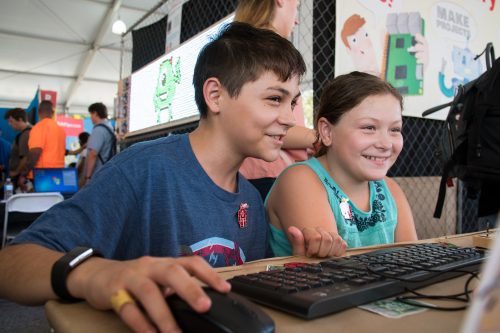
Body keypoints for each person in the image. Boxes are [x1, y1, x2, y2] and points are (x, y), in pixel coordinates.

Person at [0, 23, 324, 333]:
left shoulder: (251, 200)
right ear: (215, 95)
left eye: (293, 103)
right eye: (274, 99)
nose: (287, 119)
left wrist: (303, 267)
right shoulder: (145, 169)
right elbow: (13, 261)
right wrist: (94, 273)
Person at [266, 71, 418, 257]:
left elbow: (412, 258)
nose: (385, 144)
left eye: (395, 129)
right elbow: (337, 272)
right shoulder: (300, 181)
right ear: (327, 132)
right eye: (369, 128)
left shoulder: (390, 189)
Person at [235, 0, 318, 199]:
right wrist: (317, 139)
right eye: (296, 6)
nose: (296, 19)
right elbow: (268, 124)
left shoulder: (243, 47)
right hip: (267, 173)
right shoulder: (266, 51)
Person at [16, 100, 66, 190]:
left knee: (41, 203)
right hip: (58, 175)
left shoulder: (38, 128)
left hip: (42, 176)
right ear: (53, 112)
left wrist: (23, 174)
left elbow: (35, 152)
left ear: (39, 112)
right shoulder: (61, 130)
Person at [84, 102, 115, 184]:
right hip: (106, 171)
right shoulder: (109, 127)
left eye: (91, 114)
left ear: (95, 113)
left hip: (97, 174)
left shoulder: (99, 130)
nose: (90, 117)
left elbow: (93, 153)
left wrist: (88, 177)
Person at [3, 108, 32, 189]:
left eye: (11, 121)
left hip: (20, 178)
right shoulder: (28, 132)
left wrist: (16, 173)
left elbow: (25, 157)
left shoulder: (25, 135)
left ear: (20, 119)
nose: (9, 124)